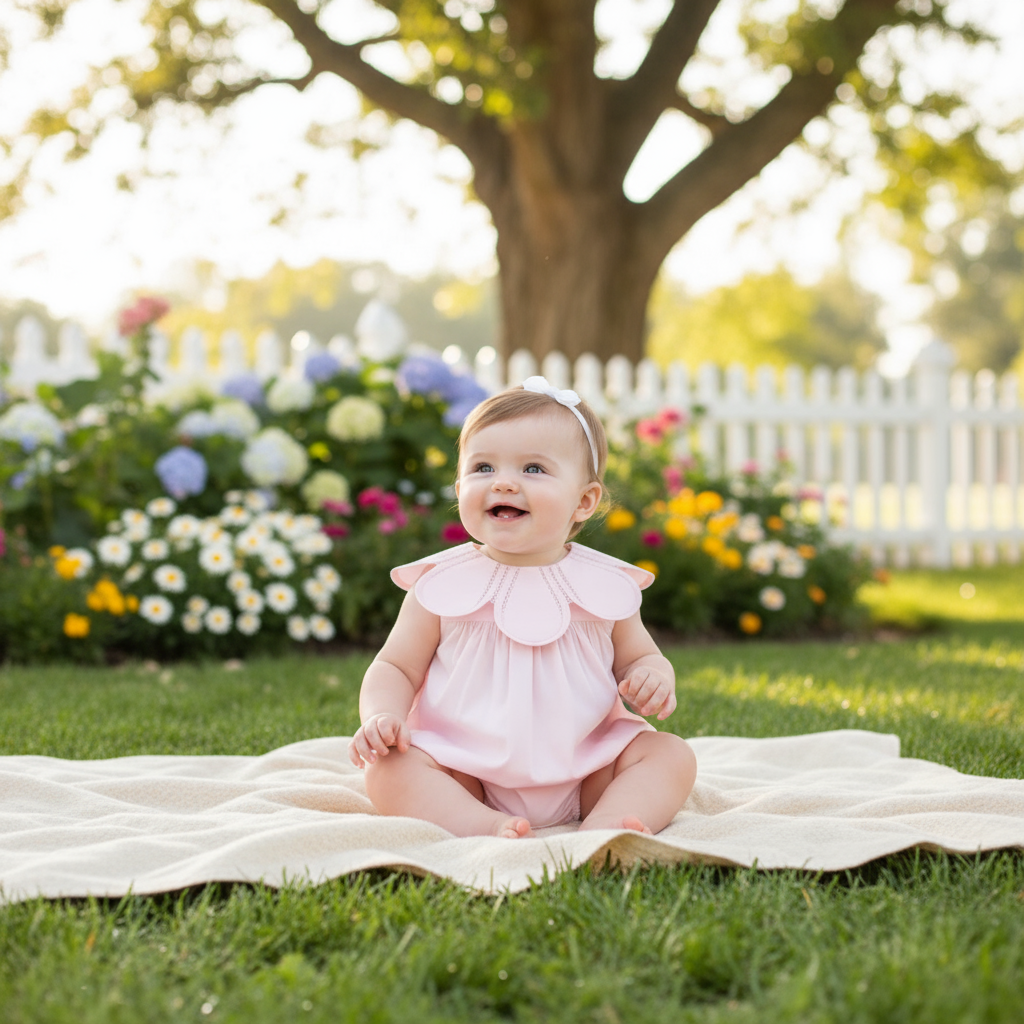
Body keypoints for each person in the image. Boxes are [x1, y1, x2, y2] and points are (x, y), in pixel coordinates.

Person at [349, 377, 697, 838]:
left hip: (587, 767)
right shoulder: (441, 586)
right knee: (390, 770)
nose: (505, 483)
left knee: (670, 755)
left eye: (533, 469)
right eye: (483, 468)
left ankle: (610, 821)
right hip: (464, 771)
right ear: (459, 487)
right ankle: (478, 821)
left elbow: (640, 656)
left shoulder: (604, 587)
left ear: (584, 501)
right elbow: (395, 666)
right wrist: (381, 715)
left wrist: (654, 676)